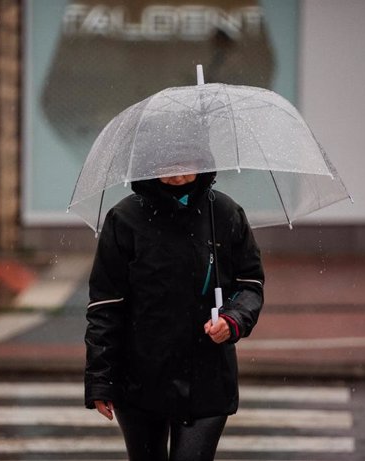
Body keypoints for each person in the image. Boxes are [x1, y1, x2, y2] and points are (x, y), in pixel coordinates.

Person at [84, 169, 264, 461]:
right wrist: (100, 381)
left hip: (207, 377)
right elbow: (106, 306)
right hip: (140, 379)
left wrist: (233, 320)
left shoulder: (224, 212)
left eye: (185, 162)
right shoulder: (125, 218)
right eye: (166, 164)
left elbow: (250, 284)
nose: (177, 174)